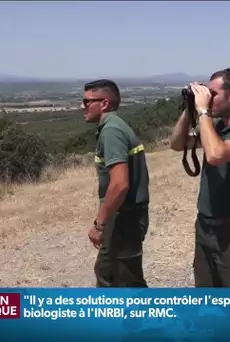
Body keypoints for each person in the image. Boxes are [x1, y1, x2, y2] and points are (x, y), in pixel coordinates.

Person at [169, 67, 230, 287]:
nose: (207, 98)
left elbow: (215, 154)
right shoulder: (217, 128)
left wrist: (203, 112)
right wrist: (189, 109)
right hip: (205, 227)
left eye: (212, 94)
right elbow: (177, 144)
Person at [82, 79, 150, 287]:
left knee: (119, 279)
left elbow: (119, 184)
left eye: (86, 102)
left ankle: (141, 318)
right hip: (125, 217)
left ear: (104, 103)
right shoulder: (114, 127)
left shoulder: (111, 131)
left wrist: (99, 224)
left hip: (123, 220)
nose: (82, 107)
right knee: (114, 274)